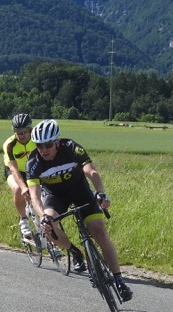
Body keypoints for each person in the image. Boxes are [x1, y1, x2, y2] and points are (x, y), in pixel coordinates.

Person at [25, 119, 133, 302]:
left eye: (48, 144)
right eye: (39, 145)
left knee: (99, 231)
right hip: (55, 197)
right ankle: (74, 251)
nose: (43, 149)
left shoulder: (71, 147)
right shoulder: (33, 162)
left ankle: (119, 280)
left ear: (57, 142)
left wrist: (100, 193)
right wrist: (42, 216)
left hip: (80, 192)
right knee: (49, 227)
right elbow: (35, 196)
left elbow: (91, 172)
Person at [2, 113, 36, 238]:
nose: (21, 135)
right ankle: (23, 220)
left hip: (32, 171)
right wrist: (23, 187)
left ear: (30, 129)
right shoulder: (10, 144)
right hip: (14, 170)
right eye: (18, 132)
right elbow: (13, 168)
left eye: (24, 132)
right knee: (17, 189)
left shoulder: (36, 139)